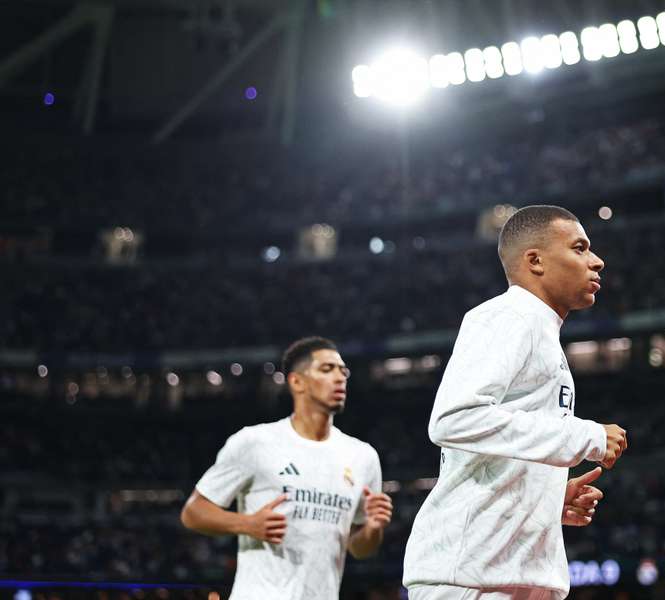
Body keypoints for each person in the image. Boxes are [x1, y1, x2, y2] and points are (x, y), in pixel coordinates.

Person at [403, 205, 628, 600]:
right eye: (579, 248)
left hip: (509, 573)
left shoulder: (539, 330)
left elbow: (502, 440)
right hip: (471, 578)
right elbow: (454, 419)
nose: (597, 261)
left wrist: (544, 499)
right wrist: (584, 436)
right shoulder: (508, 317)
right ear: (535, 260)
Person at [180, 336, 392, 599]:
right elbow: (193, 511)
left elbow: (360, 548)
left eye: (343, 370)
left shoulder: (362, 456)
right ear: (297, 382)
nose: (340, 378)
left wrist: (372, 528)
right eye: (327, 369)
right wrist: (246, 523)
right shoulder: (255, 442)